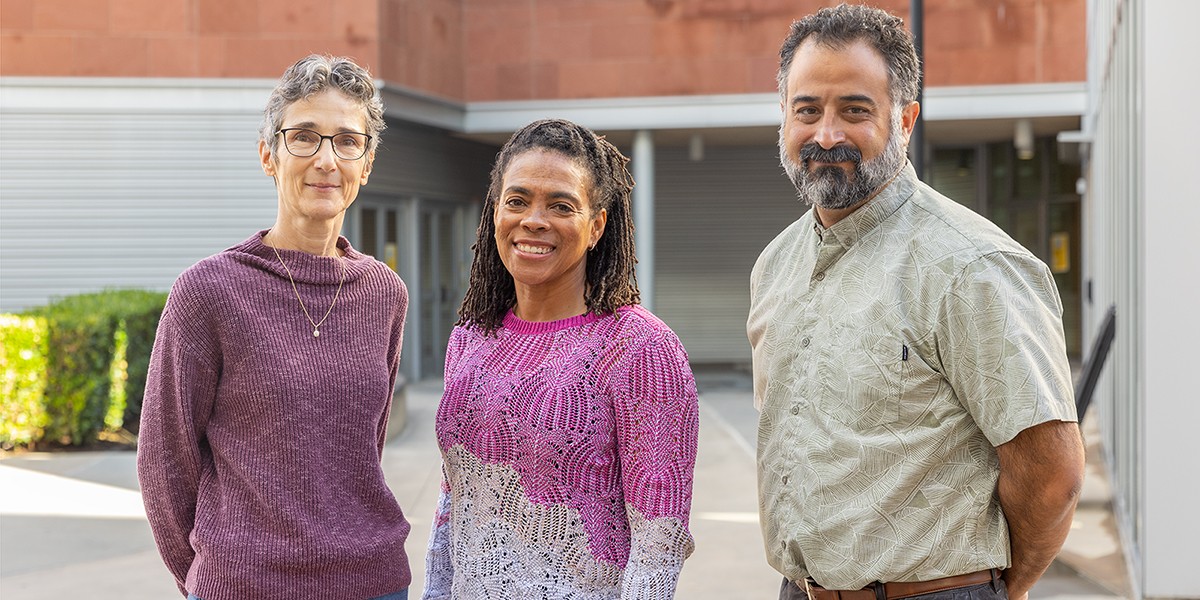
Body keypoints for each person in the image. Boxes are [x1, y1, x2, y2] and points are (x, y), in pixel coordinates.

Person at [747, 5, 1085, 600]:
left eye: (855, 110)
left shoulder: (970, 266)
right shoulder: (775, 265)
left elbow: (1050, 476)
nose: (826, 135)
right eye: (807, 110)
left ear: (905, 120)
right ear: (783, 118)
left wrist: (1005, 587)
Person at [137, 55, 412, 600]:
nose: (327, 159)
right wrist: (205, 577)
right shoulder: (209, 291)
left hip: (373, 582)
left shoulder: (385, 294)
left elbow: (363, 447)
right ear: (269, 154)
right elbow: (163, 461)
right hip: (246, 586)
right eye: (304, 137)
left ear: (367, 163)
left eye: (346, 141)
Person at [421, 118, 699, 599]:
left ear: (596, 226)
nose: (533, 220)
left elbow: (658, 549)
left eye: (561, 205)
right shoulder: (470, 337)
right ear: (495, 213)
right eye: (517, 200)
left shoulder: (640, 349)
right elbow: (454, 504)